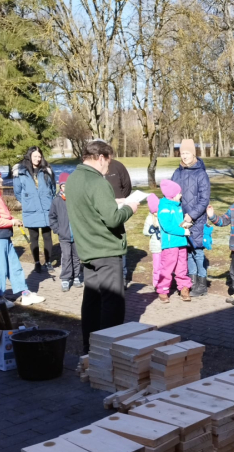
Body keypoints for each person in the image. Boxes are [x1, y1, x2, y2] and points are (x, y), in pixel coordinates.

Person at [66, 140, 139, 353]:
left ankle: (89, 347)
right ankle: (108, 349)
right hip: (106, 250)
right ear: (101, 158)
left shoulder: (73, 179)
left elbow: (90, 208)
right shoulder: (98, 182)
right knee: (112, 303)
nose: (109, 167)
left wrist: (113, 203)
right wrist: (130, 208)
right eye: (108, 161)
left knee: (92, 301)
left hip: (87, 249)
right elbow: (113, 219)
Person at [0, 167, 45, 308]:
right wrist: (12, 222)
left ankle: (25, 294)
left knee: (15, 266)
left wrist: (11, 219)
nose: (1, 179)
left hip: (4, 236)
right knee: (0, 268)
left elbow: (0, 216)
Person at [172, 139, 210, 296]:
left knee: (198, 252)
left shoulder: (201, 174)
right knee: (187, 251)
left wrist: (192, 215)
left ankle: (202, 283)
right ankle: (192, 281)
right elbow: (171, 193)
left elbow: (204, 199)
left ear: (193, 154)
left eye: (187, 153)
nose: (184, 156)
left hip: (197, 219)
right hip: (181, 219)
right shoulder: (177, 173)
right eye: (182, 153)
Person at [13, 146, 56, 274]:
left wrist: (48, 200)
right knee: (34, 237)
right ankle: (37, 262)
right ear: (29, 156)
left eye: (39, 156)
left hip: (46, 208)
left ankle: (48, 262)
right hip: (31, 210)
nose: (37, 159)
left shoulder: (47, 170)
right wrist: (28, 202)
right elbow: (17, 191)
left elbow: (53, 189)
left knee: (47, 236)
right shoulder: (21, 172)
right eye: (35, 156)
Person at [156, 179, 192, 303]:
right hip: (170, 243)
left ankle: (184, 287)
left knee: (182, 266)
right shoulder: (164, 207)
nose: (181, 195)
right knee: (167, 267)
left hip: (181, 242)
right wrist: (183, 231)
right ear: (172, 194)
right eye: (179, 193)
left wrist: (185, 224)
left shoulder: (177, 206)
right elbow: (167, 226)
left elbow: (178, 223)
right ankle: (163, 290)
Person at [49, 172, 81, 292]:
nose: (66, 188)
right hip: (64, 235)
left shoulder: (76, 199)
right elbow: (52, 217)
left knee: (77, 257)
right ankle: (66, 278)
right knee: (66, 256)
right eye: (63, 185)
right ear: (60, 187)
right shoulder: (57, 201)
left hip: (76, 235)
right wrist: (58, 230)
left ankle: (76, 276)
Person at [105, 157, 134, 288]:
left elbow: (127, 185)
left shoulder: (117, 166)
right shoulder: (95, 168)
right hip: (101, 211)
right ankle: (108, 275)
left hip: (118, 209)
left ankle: (122, 275)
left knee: (119, 240)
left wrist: (121, 200)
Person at [142, 193, 163, 292]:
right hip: (156, 247)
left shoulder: (162, 216)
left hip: (164, 246)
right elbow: (145, 232)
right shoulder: (149, 218)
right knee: (157, 267)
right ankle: (156, 283)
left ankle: (165, 283)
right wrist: (152, 229)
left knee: (165, 266)